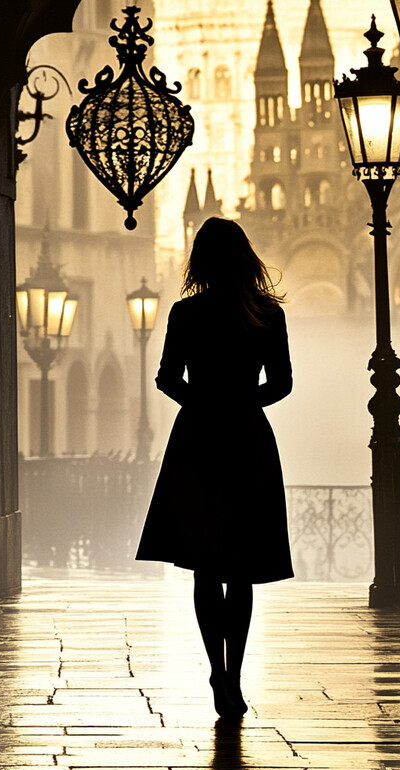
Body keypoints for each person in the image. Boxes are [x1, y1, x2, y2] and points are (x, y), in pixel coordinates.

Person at [136, 217, 294, 718]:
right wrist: (245, 402)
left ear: (200, 260)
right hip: (248, 438)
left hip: (199, 440)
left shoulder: (186, 314)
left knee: (205, 563)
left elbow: (165, 378)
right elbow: (283, 382)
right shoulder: (266, 314)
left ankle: (215, 672)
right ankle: (235, 674)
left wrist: (201, 402)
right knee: (242, 567)